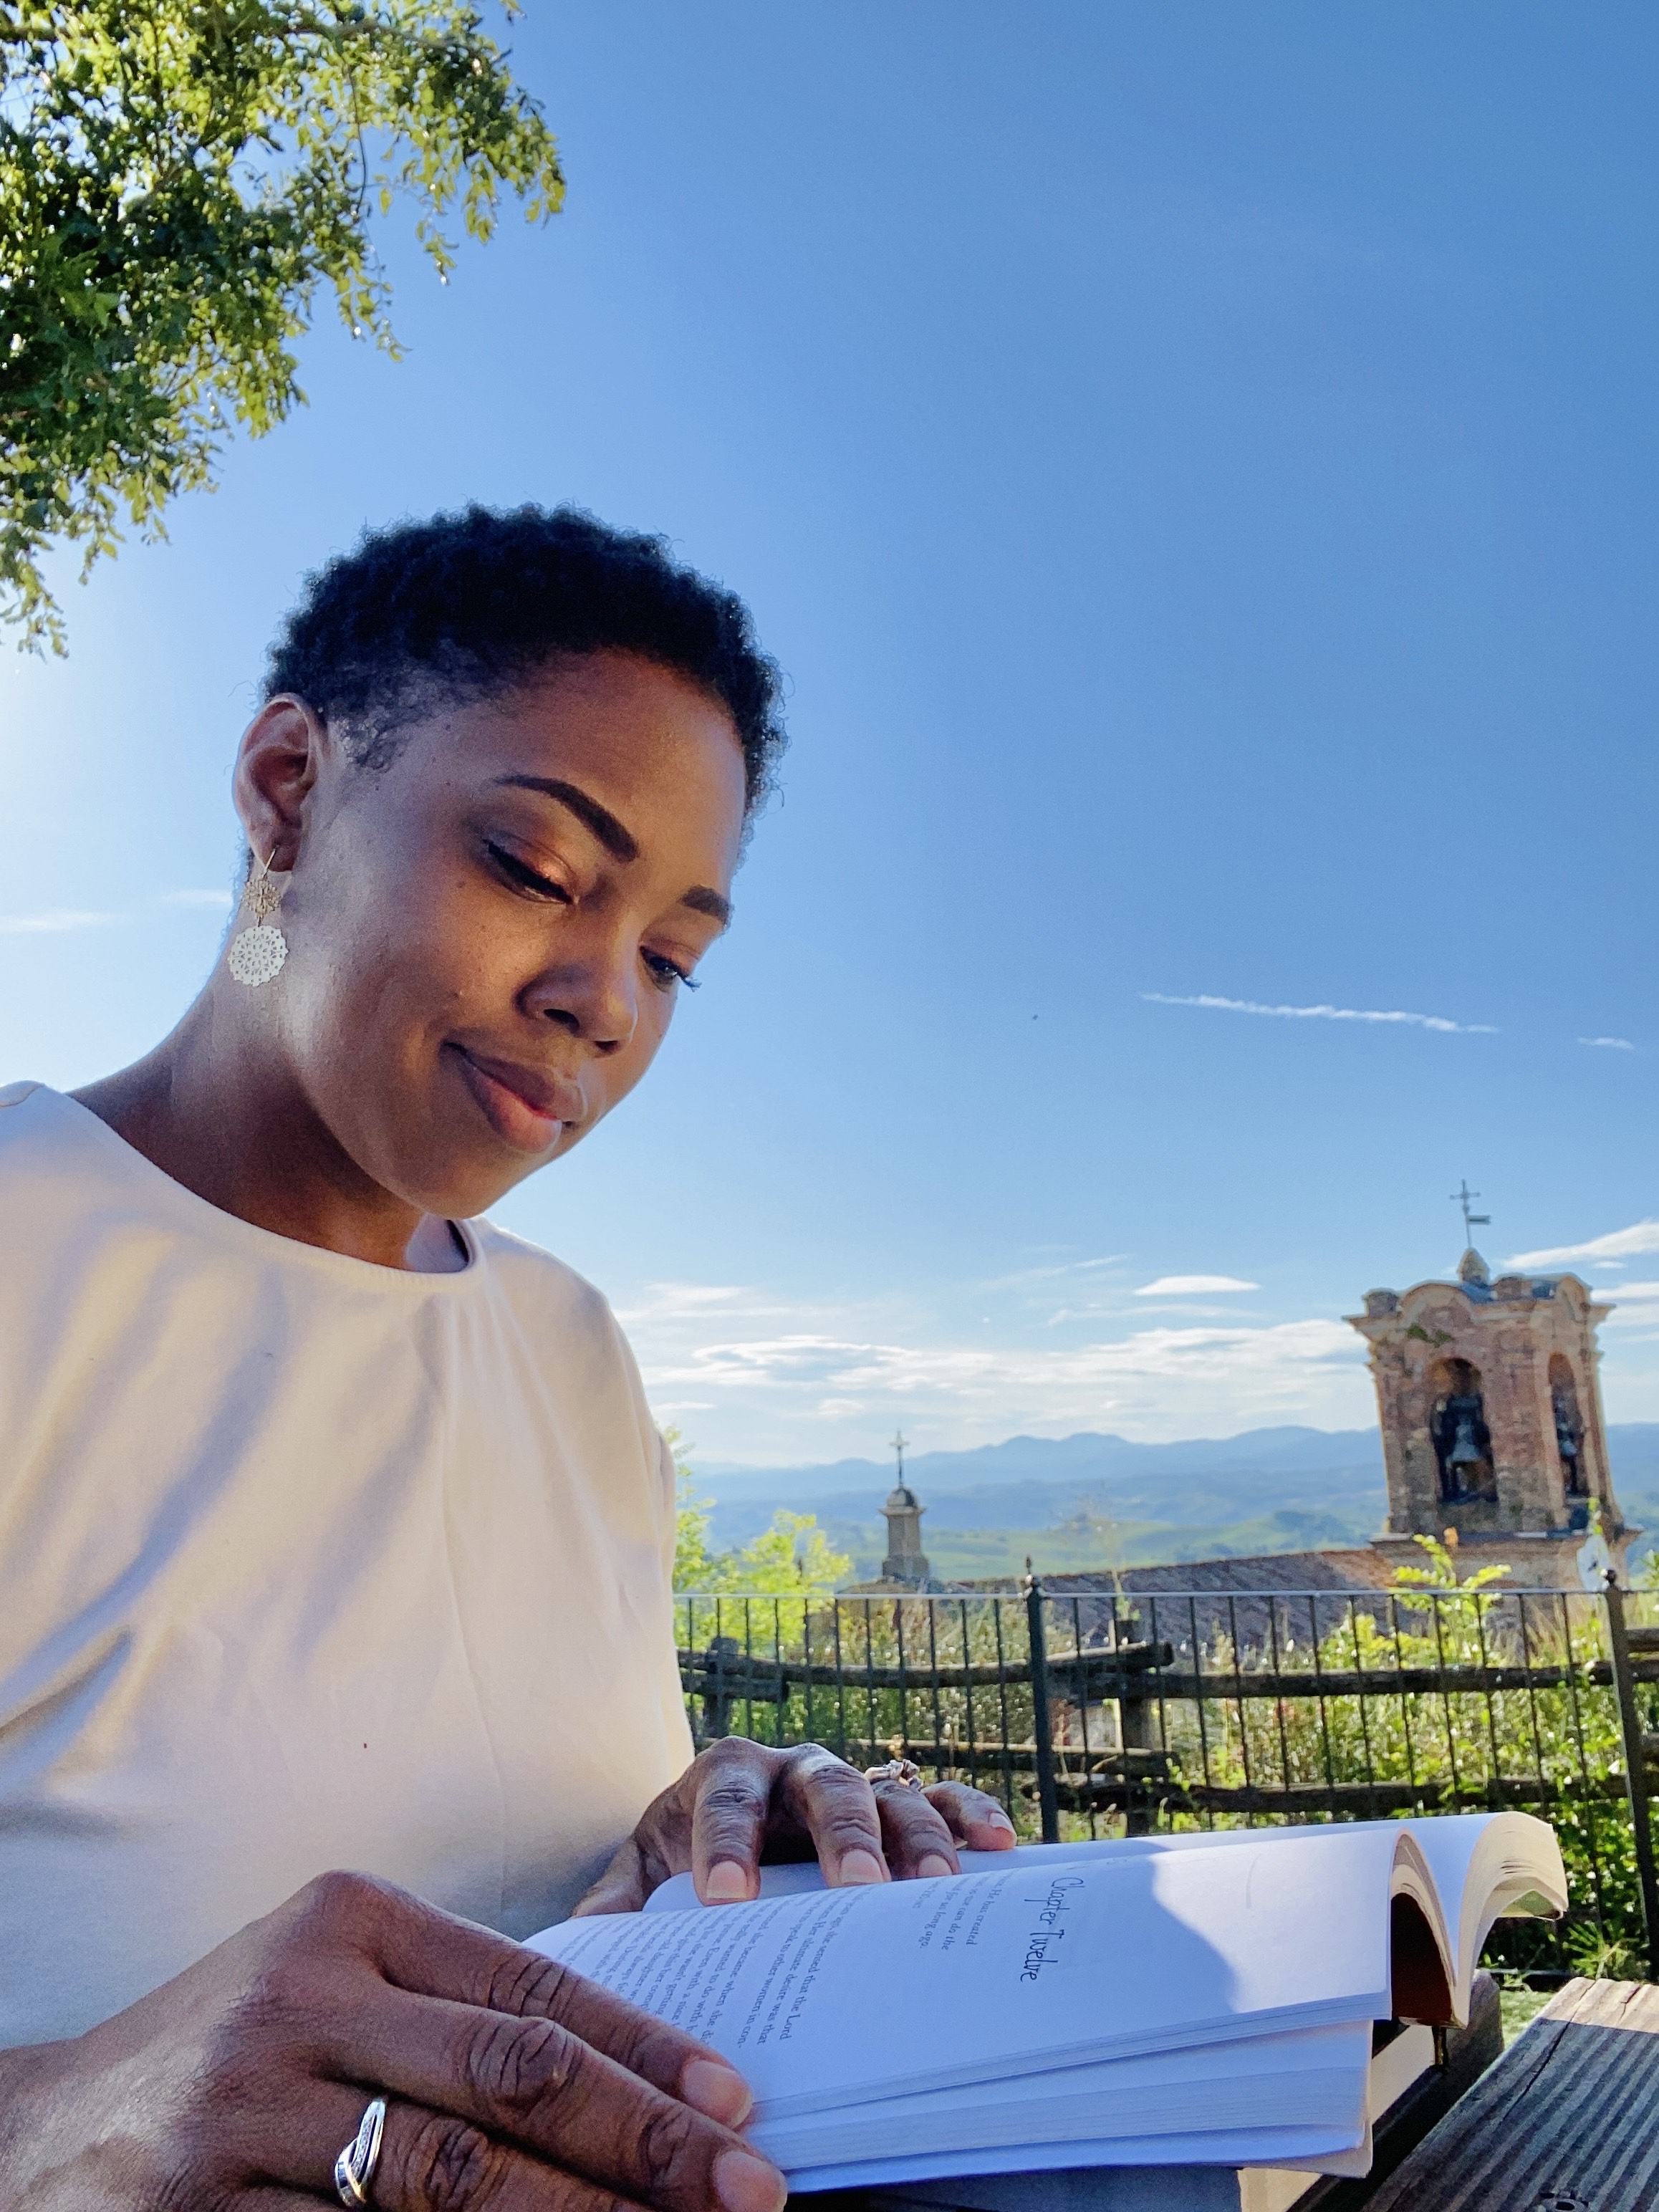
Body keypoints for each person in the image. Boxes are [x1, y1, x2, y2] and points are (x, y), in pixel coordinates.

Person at [0, 507, 1015, 2207]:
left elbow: (547, 1916)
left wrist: (696, 1854)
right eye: (538, 870)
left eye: (675, 956)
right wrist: (61, 2119)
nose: (605, 999)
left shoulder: (571, 1351)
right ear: (284, 790)